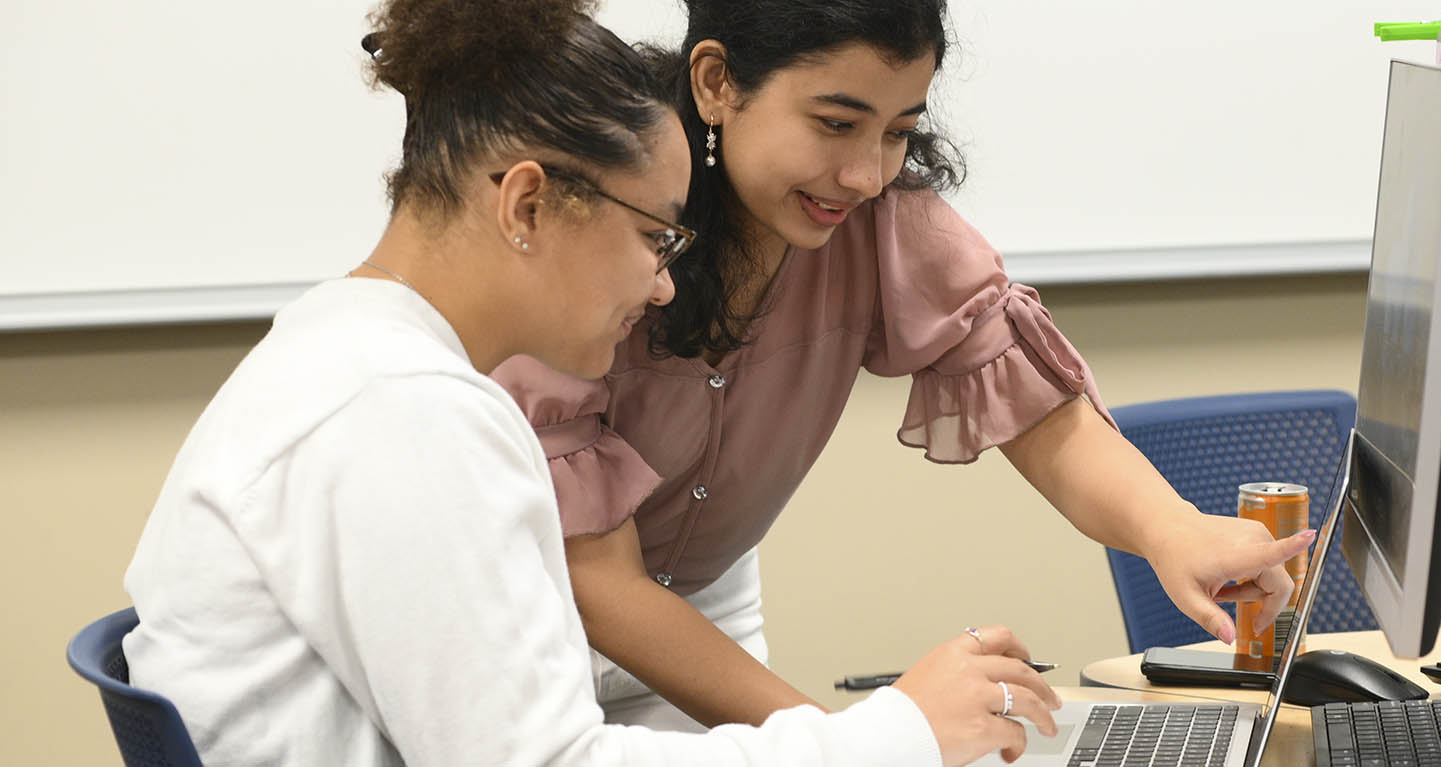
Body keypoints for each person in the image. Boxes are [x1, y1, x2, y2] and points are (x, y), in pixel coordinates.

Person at [121, 1, 1060, 765]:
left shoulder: (351, 357)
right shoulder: (400, 412)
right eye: (656, 237)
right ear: (528, 204)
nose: (662, 284)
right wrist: (894, 734)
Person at [491, 0, 1320, 731]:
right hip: (519, 631)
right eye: (835, 123)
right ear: (716, 83)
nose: (864, 174)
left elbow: (1036, 406)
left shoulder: (879, 220)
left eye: (898, 132)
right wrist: (865, 742)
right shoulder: (604, 216)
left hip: (697, 622)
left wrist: (1176, 530)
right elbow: (595, 578)